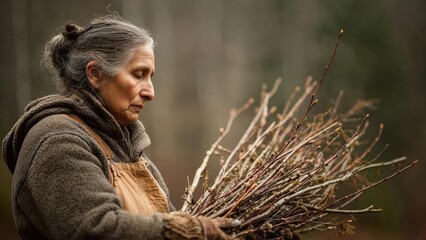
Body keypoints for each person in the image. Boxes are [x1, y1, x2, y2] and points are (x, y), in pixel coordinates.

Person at [2, 15, 239, 240]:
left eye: (151, 77)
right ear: (95, 74)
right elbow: (94, 229)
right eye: (138, 75)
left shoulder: (129, 150)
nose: (150, 92)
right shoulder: (58, 140)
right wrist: (184, 230)